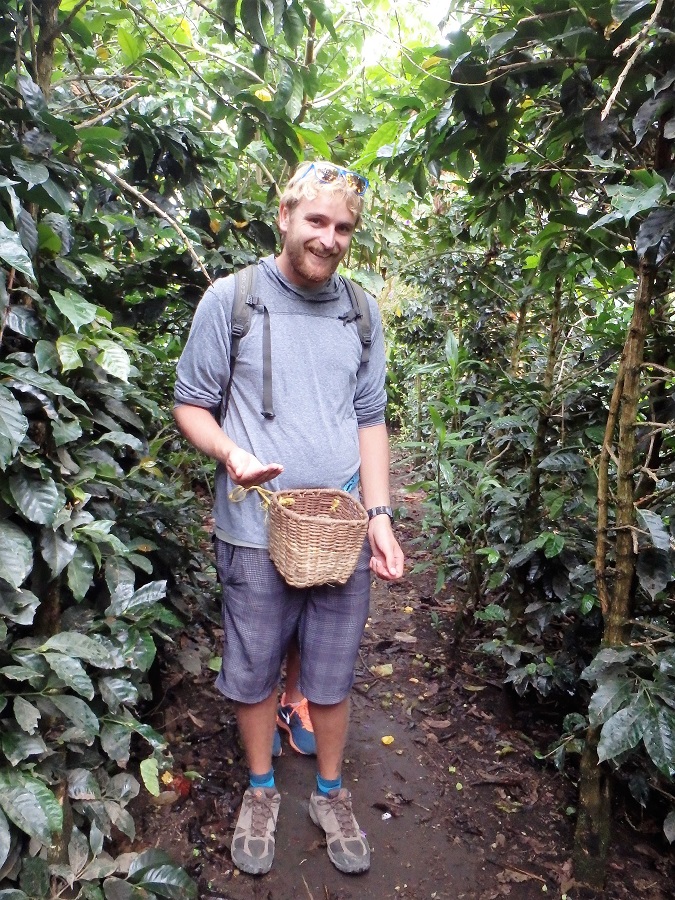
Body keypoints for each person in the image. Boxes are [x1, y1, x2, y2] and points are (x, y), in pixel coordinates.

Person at [173, 159, 404, 876]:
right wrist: (232, 453)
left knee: (331, 671)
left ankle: (329, 793)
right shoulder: (232, 298)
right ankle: (262, 787)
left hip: (335, 532)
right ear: (284, 215)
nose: (329, 238)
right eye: (316, 221)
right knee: (249, 664)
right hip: (252, 527)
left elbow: (370, 420)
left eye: (342, 228)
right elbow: (190, 403)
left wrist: (380, 517)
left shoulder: (359, 312)